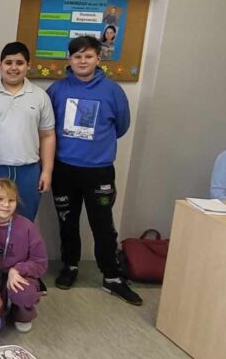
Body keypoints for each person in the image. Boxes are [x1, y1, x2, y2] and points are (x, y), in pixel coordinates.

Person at [46, 36, 140, 305]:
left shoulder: (113, 91)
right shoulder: (57, 90)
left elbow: (121, 126)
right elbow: (47, 128)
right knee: (67, 221)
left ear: (98, 59)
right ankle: (70, 265)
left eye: (88, 56)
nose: (82, 61)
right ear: (69, 59)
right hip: (64, 169)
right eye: (77, 56)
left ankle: (112, 276)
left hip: (99, 171)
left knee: (103, 224)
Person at [0, 42, 56, 222]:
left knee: (24, 223)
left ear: (28, 65)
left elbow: (47, 136)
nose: (14, 68)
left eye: (19, 63)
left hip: (28, 171)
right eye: (8, 62)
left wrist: (47, 171)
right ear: (0, 65)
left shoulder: (40, 96)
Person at [0, 178, 48, 334]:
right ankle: (1, 305)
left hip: (18, 276)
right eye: (0, 199)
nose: (6, 204)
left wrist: (17, 270)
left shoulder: (27, 226)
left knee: (23, 292)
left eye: (11, 200)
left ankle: (21, 313)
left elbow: (40, 261)